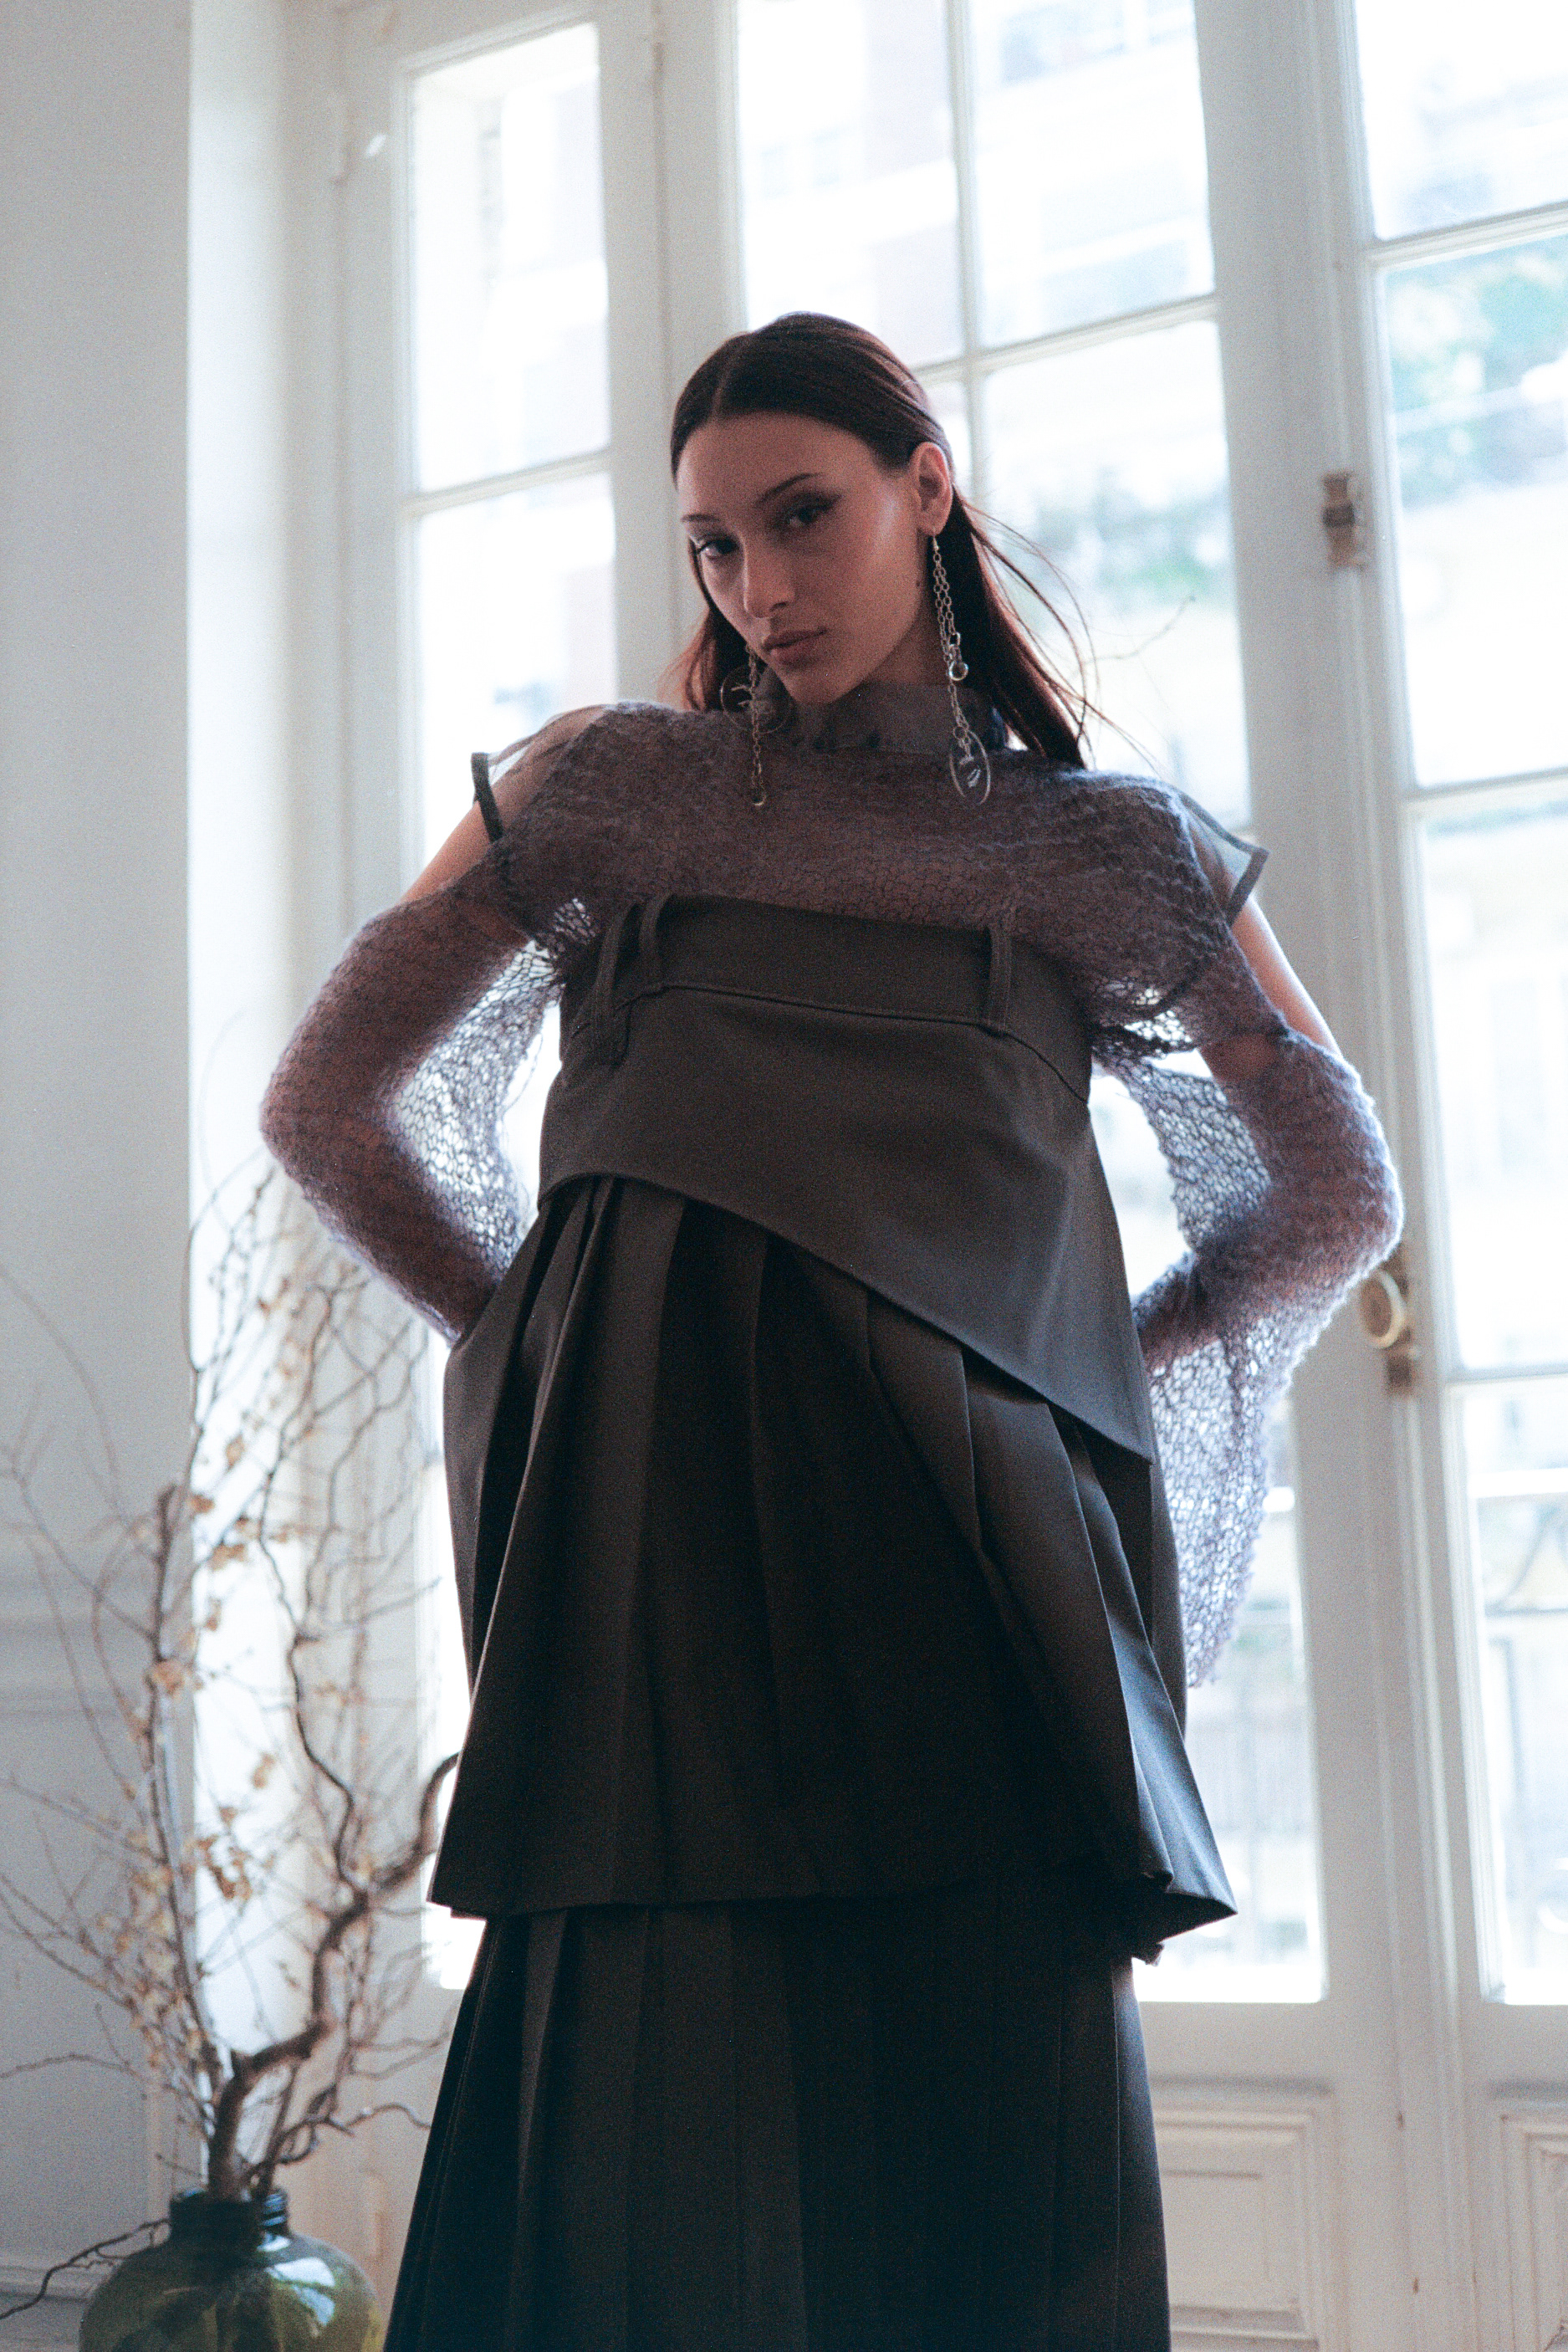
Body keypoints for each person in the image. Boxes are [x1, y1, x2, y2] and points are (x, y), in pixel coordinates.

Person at [260, 312, 1402, 2350]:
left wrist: (1066, 1373)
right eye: (712, 545)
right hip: (659, 1561)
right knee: (649, 2136)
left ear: (924, 487)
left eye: (802, 518)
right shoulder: (608, 785)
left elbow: (1332, 1193)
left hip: (969, 1561)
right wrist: (547, 1332)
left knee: (989, 2150)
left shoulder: (1101, 847)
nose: (758, 588)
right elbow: (326, 1103)